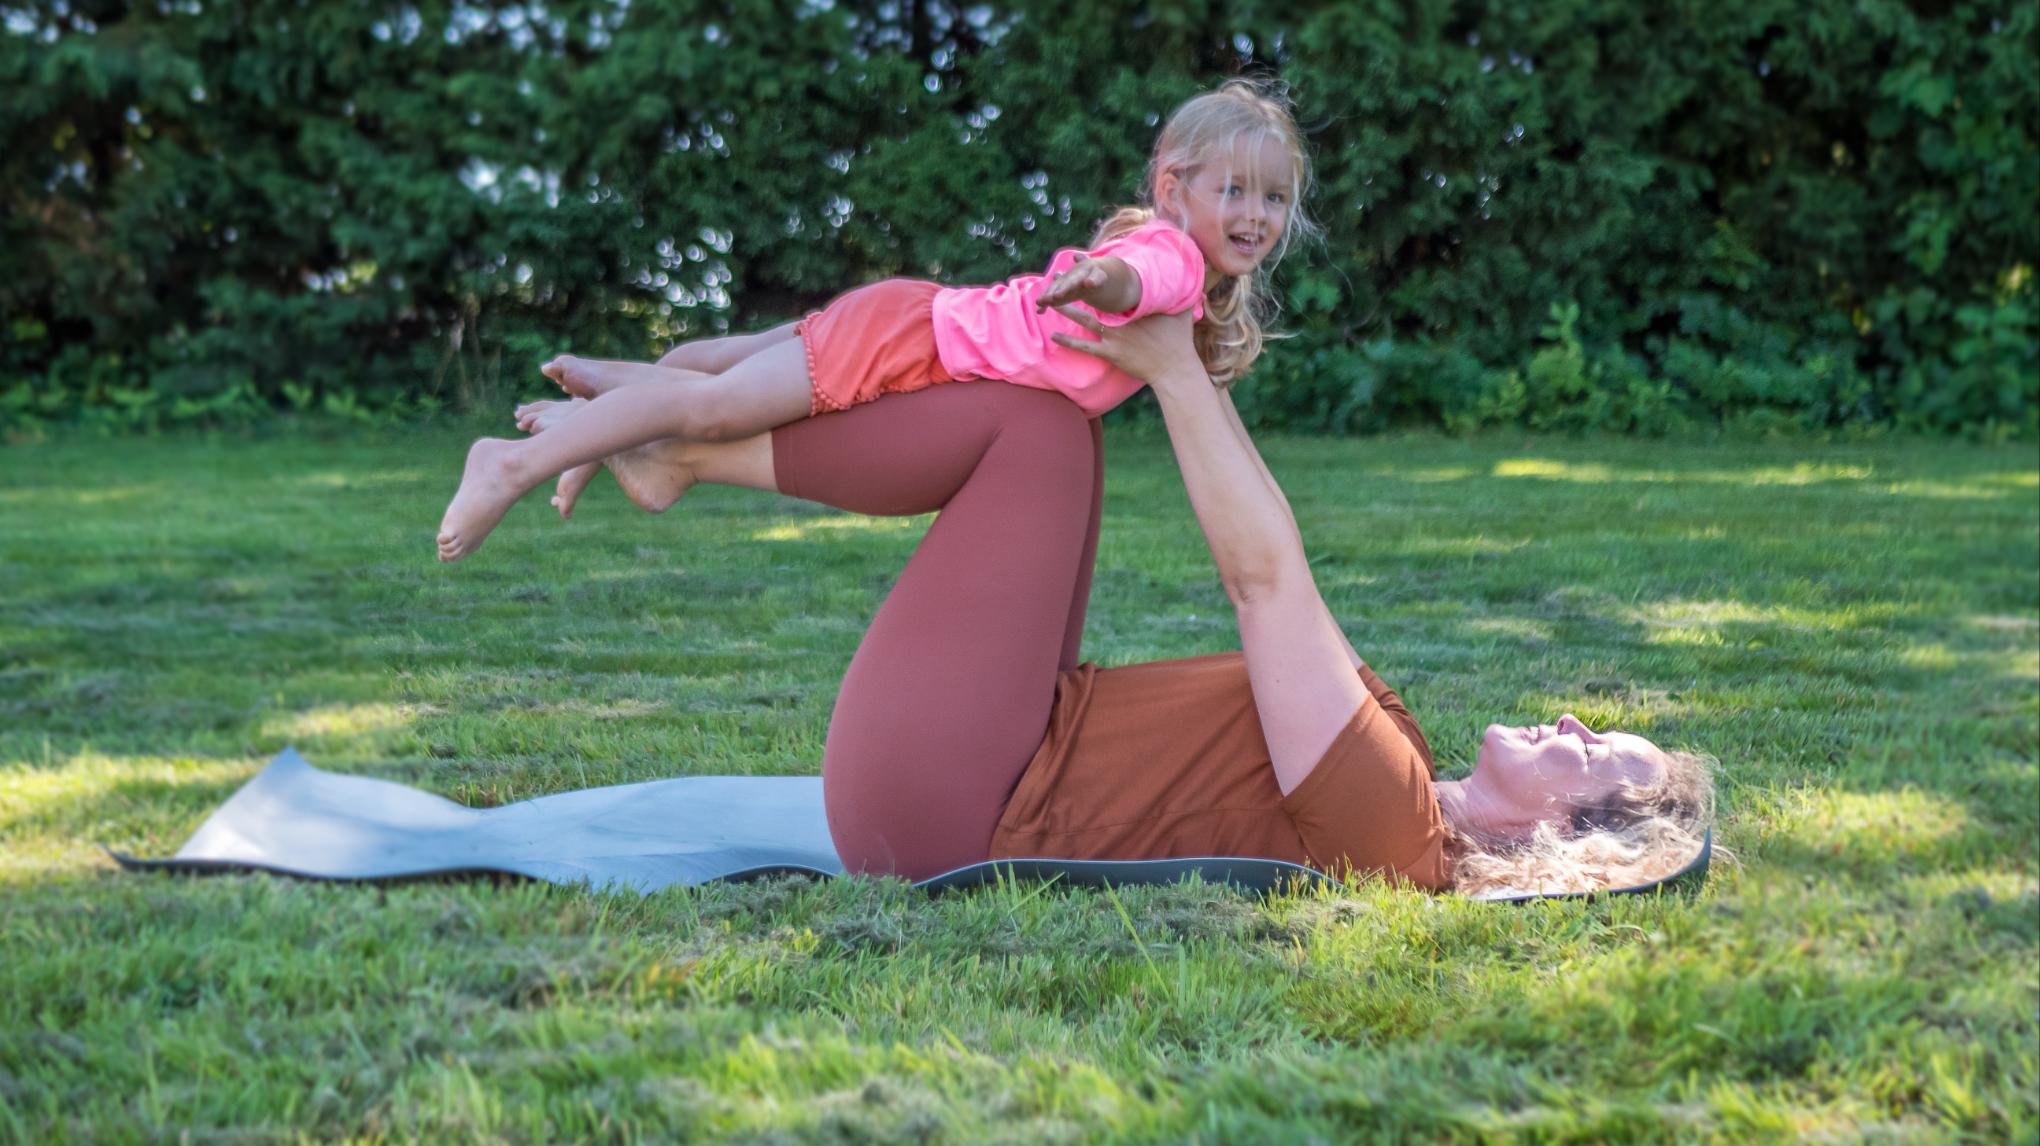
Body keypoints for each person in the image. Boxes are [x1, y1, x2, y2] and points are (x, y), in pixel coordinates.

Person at [511, 304, 1715, 897]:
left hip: (950, 806)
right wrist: (1166, 359)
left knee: (1031, 434)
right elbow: (1280, 577)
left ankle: (684, 446)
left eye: (1598, 755)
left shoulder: (1394, 829)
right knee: (1056, 428)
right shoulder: (1399, 776)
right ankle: (686, 440)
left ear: (1569, 834)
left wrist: (1174, 368)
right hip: (997, 755)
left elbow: (1263, 581)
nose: (1573, 723)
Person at [437, 77, 1320, 560]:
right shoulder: (1170, 258)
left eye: (1274, 198)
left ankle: (600, 412)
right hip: (905, 343)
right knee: (711, 409)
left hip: (909, 321)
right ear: (1174, 189)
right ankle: (513, 461)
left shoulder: (1185, 263)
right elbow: (1136, 278)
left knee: (729, 371)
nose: (1256, 213)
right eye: (1233, 190)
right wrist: (1096, 279)